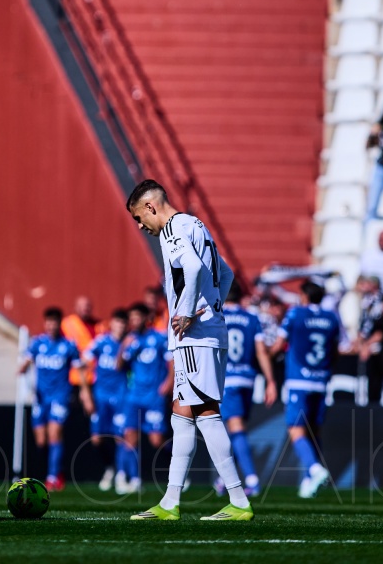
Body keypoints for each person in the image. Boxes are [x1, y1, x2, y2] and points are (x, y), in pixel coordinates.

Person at [125, 179, 252, 521]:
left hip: (195, 337)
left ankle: (238, 499)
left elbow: (194, 268)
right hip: (203, 333)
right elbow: (226, 274)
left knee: (206, 414)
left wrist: (188, 312)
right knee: (181, 416)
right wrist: (210, 308)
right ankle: (170, 502)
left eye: (139, 218)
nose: (141, 226)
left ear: (150, 206)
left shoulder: (171, 230)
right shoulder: (195, 224)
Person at [271, 279, 341, 499]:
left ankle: (314, 468)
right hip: (321, 380)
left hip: (299, 380)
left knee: (296, 429)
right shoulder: (332, 317)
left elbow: (279, 343)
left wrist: (263, 356)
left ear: (304, 296)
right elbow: (336, 349)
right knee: (314, 430)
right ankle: (309, 480)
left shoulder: (296, 313)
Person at [18, 306, 94, 491]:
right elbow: (26, 362)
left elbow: (79, 370)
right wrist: (23, 368)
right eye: (48, 322)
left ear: (60, 324)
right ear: (45, 324)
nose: (51, 326)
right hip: (40, 397)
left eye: (54, 322)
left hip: (60, 396)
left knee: (54, 434)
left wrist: (85, 393)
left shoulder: (68, 345)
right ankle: (53, 470)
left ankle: (53, 476)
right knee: (41, 441)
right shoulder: (37, 343)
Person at [216, 291, 277, 496]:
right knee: (235, 429)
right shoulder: (252, 318)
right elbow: (261, 351)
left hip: (227, 379)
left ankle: (251, 480)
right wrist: (270, 380)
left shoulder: (218, 315)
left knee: (235, 429)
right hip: (247, 380)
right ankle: (224, 478)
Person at [118, 301, 172, 494]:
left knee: (156, 440)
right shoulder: (131, 341)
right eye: (131, 318)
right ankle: (134, 479)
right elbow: (119, 366)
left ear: (146, 318)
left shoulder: (159, 338)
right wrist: (122, 347)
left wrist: (168, 384)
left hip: (153, 397)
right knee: (130, 438)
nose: (134, 321)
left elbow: (172, 363)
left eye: (137, 317)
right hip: (133, 397)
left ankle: (178, 467)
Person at [82, 309, 129, 491]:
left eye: (123, 323)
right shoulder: (101, 342)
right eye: (118, 322)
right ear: (112, 323)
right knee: (97, 439)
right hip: (100, 396)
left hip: (120, 396)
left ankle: (122, 475)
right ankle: (110, 467)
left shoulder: (130, 343)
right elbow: (82, 364)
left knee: (120, 437)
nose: (120, 326)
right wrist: (85, 393)